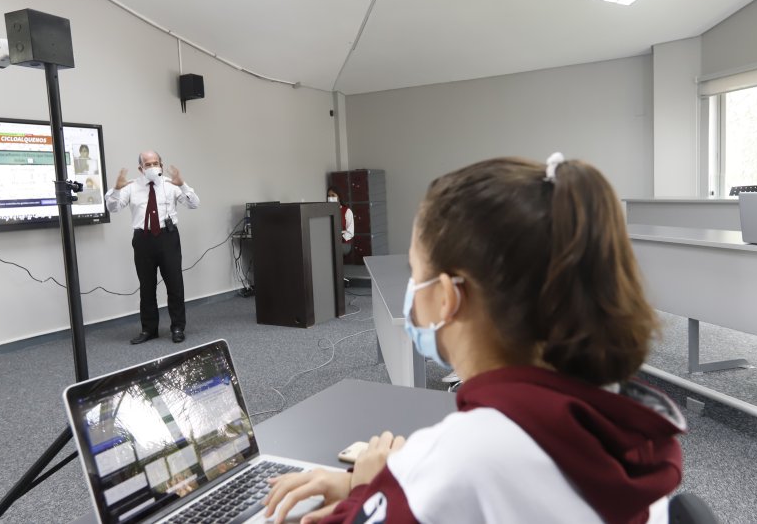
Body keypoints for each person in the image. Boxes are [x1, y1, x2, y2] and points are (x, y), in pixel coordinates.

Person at [264, 154, 684, 524]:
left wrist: (369, 488)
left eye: (416, 273)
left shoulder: (462, 460)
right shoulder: (620, 416)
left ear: (446, 297)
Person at [105, 151, 200, 345]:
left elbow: (194, 204)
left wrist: (182, 184)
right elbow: (113, 209)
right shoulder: (130, 186)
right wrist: (115, 189)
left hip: (168, 238)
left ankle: (177, 327)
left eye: (155, 163)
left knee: (175, 285)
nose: (152, 166)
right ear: (141, 168)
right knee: (146, 287)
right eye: (147, 164)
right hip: (143, 239)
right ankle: (149, 329)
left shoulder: (171, 185)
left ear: (161, 165)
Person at [326, 187, 354, 257]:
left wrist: (339, 238)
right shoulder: (326, 211)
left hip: (343, 243)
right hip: (329, 241)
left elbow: (350, 232)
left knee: (330, 250)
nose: (330, 198)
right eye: (329, 196)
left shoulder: (347, 211)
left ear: (338, 196)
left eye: (333, 195)